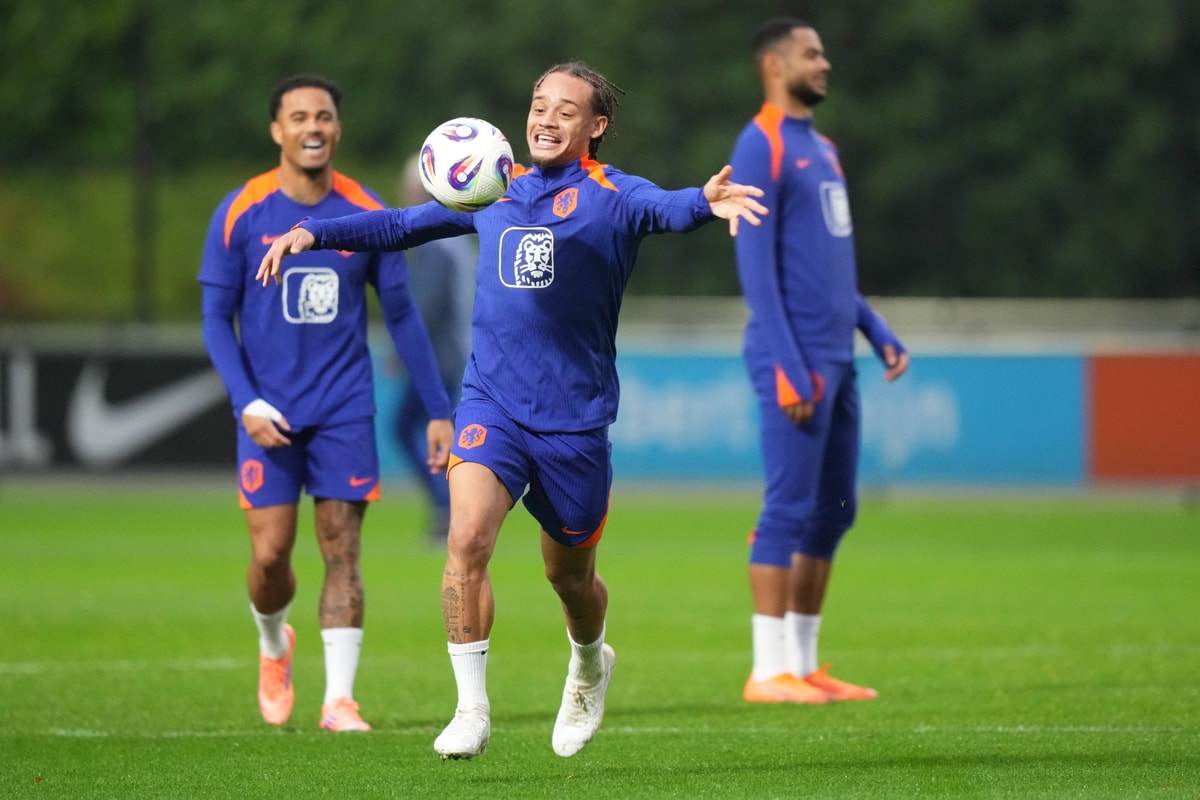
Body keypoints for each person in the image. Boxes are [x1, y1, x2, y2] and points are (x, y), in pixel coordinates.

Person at [257, 61, 768, 759]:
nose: (546, 120)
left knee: (571, 579)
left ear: (596, 127)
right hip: (491, 404)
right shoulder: (496, 190)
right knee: (466, 537)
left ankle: (590, 662)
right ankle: (471, 708)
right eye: (538, 105)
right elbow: (402, 224)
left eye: (565, 111)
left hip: (574, 422)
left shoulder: (613, 194)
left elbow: (669, 208)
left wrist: (706, 201)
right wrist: (315, 233)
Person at [198, 73, 454, 732]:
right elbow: (212, 318)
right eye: (300, 117)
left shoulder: (365, 212)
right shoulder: (240, 211)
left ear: (337, 129)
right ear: (277, 130)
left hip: (344, 406)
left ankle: (340, 699)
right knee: (270, 557)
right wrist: (245, 401)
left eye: (325, 117)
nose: (314, 127)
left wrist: (439, 409)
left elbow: (400, 312)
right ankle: (272, 642)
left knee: (343, 551)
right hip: (269, 412)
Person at [729, 18, 909, 705]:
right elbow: (756, 265)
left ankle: (802, 664)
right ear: (775, 65)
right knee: (788, 507)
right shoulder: (761, 144)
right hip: (796, 356)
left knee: (834, 510)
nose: (824, 62)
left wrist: (875, 327)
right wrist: (785, 362)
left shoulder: (823, 148)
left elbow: (830, 266)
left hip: (837, 354)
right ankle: (765, 669)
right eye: (812, 54)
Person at [390, 155, 476, 545]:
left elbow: (424, 308)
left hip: (441, 360)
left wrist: (401, 351)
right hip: (457, 355)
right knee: (438, 436)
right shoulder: (459, 240)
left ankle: (448, 508)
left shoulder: (437, 243)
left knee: (413, 430)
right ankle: (450, 508)